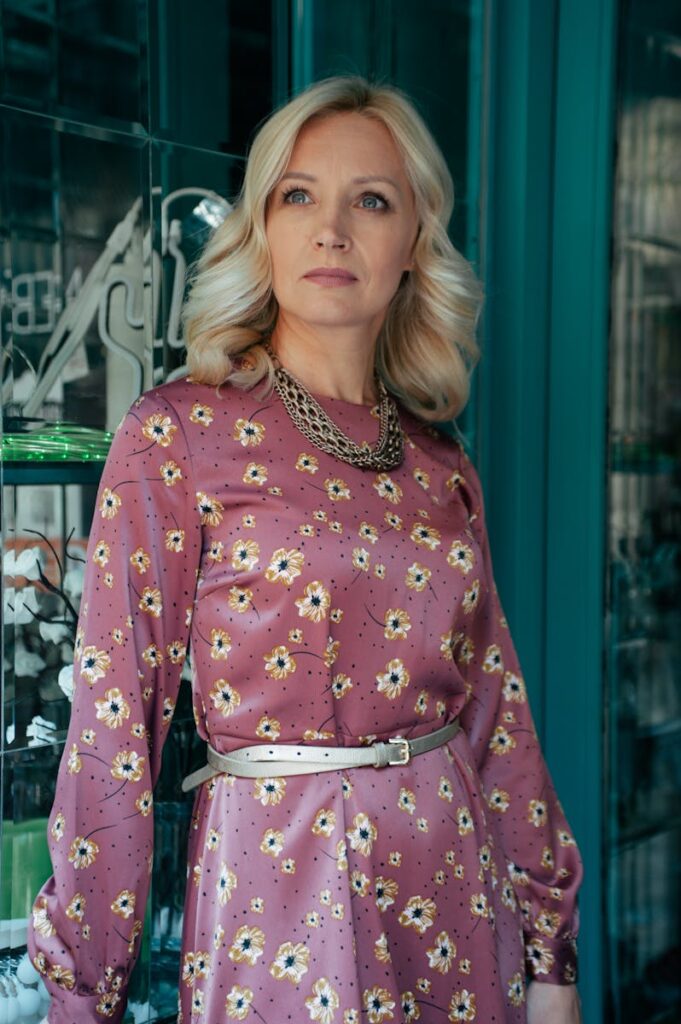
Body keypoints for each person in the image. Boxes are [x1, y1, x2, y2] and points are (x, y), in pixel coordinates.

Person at [29, 74, 584, 1024]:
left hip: (457, 887)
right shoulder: (178, 434)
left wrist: (550, 957)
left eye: (370, 200)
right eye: (298, 195)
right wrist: (86, 990)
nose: (331, 229)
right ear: (262, 231)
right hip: (278, 890)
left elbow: (497, 713)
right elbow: (113, 728)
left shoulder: (440, 462)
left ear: (412, 245)